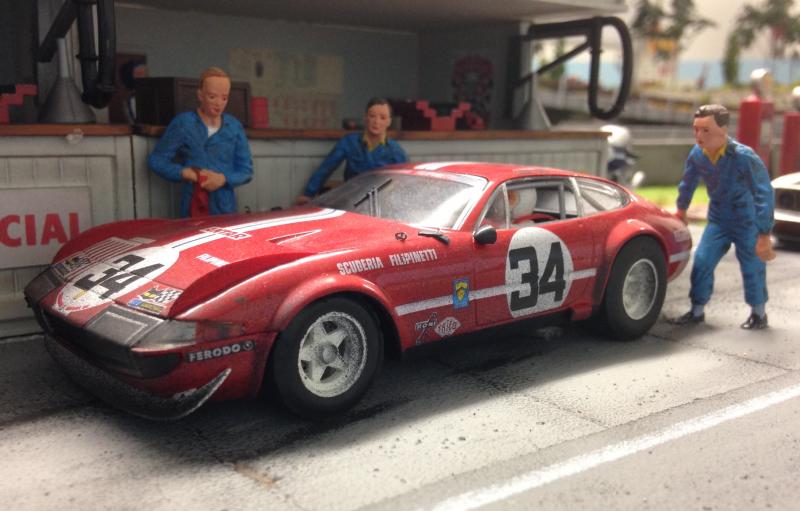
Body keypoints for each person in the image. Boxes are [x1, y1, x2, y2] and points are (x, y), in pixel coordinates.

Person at [672, 104, 776, 330]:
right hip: (718, 220)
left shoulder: (744, 157)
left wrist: (764, 232)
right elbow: (688, 182)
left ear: (723, 130)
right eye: (696, 129)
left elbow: (764, 193)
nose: (699, 135)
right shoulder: (697, 154)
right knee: (702, 261)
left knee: (753, 265)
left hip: (747, 221)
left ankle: (759, 313)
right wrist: (681, 209)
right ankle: (697, 310)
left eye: (705, 130)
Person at [148, 66, 253, 217]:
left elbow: (246, 171)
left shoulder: (234, 127)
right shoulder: (184, 123)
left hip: (225, 205)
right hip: (193, 202)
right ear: (200, 95)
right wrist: (184, 172)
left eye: (224, 98)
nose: (218, 103)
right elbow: (157, 160)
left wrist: (223, 179)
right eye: (212, 97)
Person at [296, 97, 407, 204]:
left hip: (382, 201)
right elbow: (326, 168)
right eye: (372, 116)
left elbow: (405, 181)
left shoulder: (395, 150)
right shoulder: (349, 142)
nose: (376, 121)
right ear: (365, 118)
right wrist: (308, 194)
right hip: (352, 201)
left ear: (389, 121)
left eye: (382, 118)